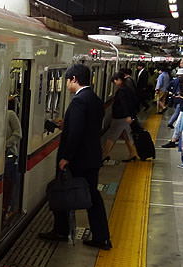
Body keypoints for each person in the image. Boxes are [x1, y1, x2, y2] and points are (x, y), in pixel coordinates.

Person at [39, 63, 112, 250]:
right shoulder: (94, 98)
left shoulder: (79, 101)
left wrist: (66, 157)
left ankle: (62, 231)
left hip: (78, 160)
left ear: (74, 79)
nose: (67, 86)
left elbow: (76, 133)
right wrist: (67, 123)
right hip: (91, 157)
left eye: (67, 81)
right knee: (92, 197)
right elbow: (87, 127)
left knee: (62, 191)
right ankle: (101, 236)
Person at [101, 72, 138, 162]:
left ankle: (104, 155)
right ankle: (133, 153)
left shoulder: (121, 91)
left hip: (120, 117)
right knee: (126, 135)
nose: (114, 83)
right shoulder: (127, 88)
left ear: (119, 80)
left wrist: (128, 115)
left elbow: (124, 104)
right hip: (125, 117)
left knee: (111, 136)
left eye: (115, 81)